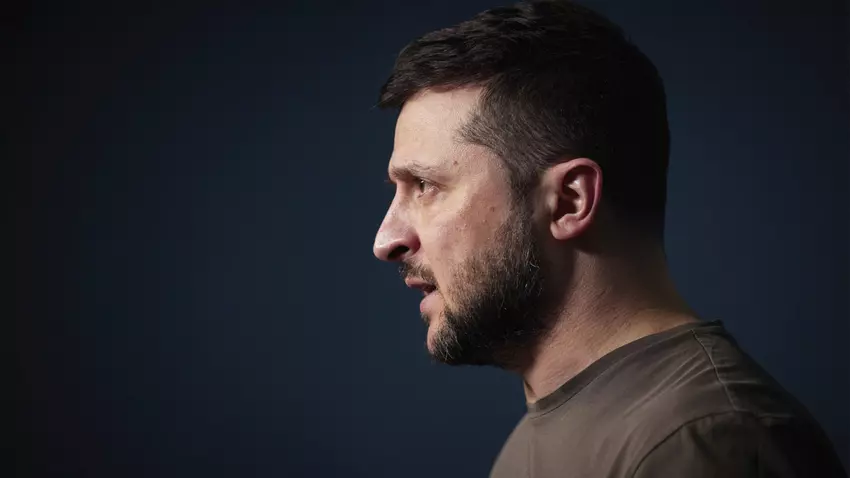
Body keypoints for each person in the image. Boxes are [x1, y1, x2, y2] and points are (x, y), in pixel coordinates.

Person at [371, 1, 847, 476]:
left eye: (425, 186)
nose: (386, 240)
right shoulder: (542, 433)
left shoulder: (703, 439)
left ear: (570, 201)